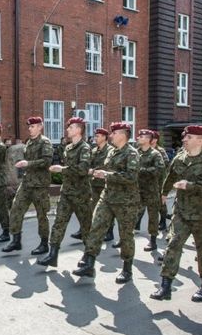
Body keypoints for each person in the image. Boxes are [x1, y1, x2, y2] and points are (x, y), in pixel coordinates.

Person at [150, 125, 202, 302]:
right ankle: (165, 285)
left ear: (200, 140)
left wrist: (191, 185)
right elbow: (170, 177)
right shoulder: (179, 158)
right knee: (172, 246)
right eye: (184, 137)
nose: (184, 139)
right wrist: (163, 193)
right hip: (181, 212)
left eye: (188, 137)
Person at [72, 122, 140, 281]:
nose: (111, 136)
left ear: (123, 135)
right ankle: (89, 263)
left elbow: (131, 177)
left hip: (125, 201)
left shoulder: (131, 153)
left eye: (114, 133)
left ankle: (127, 269)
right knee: (96, 227)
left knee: (125, 235)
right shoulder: (113, 152)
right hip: (107, 197)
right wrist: (97, 173)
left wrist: (107, 175)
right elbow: (107, 170)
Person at [36, 117, 91, 267]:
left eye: (71, 127)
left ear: (79, 130)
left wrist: (62, 169)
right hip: (66, 192)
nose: (68, 129)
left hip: (81, 194)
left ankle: (88, 256)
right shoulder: (68, 148)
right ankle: (53, 255)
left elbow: (83, 169)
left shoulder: (84, 148)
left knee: (86, 226)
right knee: (59, 223)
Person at [2, 116, 53, 255]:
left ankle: (44, 244)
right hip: (26, 183)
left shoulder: (45, 142)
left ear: (40, 127)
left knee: (41, 215)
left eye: (32, 126)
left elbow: (47, 161)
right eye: (29, 126)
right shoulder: (29, 142)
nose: (29, 129)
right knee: (16, 208)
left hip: (39, 185)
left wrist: (28, 163)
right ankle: (16, 240)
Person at [70, 127, 114, 241]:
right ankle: (84, 230)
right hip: (94, 184)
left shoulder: (110, 150)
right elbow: (88, 164)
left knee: (108, 208)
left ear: (104, 137)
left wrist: (93, 171)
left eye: (98, 136)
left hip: (105, 184)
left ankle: (109, 231)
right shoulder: (94, 151)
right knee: (90, 209)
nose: (95, 138)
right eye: (95, 136)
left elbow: (108, 167)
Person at [136, 129, 165, 252]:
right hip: (137, 189)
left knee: (153, 216)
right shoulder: (136, 153)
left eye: (141, 136)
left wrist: (142, 170)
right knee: (132, 213)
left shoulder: (155, 154)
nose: (138, 138)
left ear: (148, 139)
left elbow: (160, 169)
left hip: (152, 190)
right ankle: (124, 239)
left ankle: (153, 241)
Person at [151, 130, 171, 231]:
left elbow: (166, 163)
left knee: (160, 201)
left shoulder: (160, 150)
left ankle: (163, 220)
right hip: (148, 181)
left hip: (159, 180)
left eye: (153, 138)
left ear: (156, 139)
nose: (151, 139)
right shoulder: (145, 149)